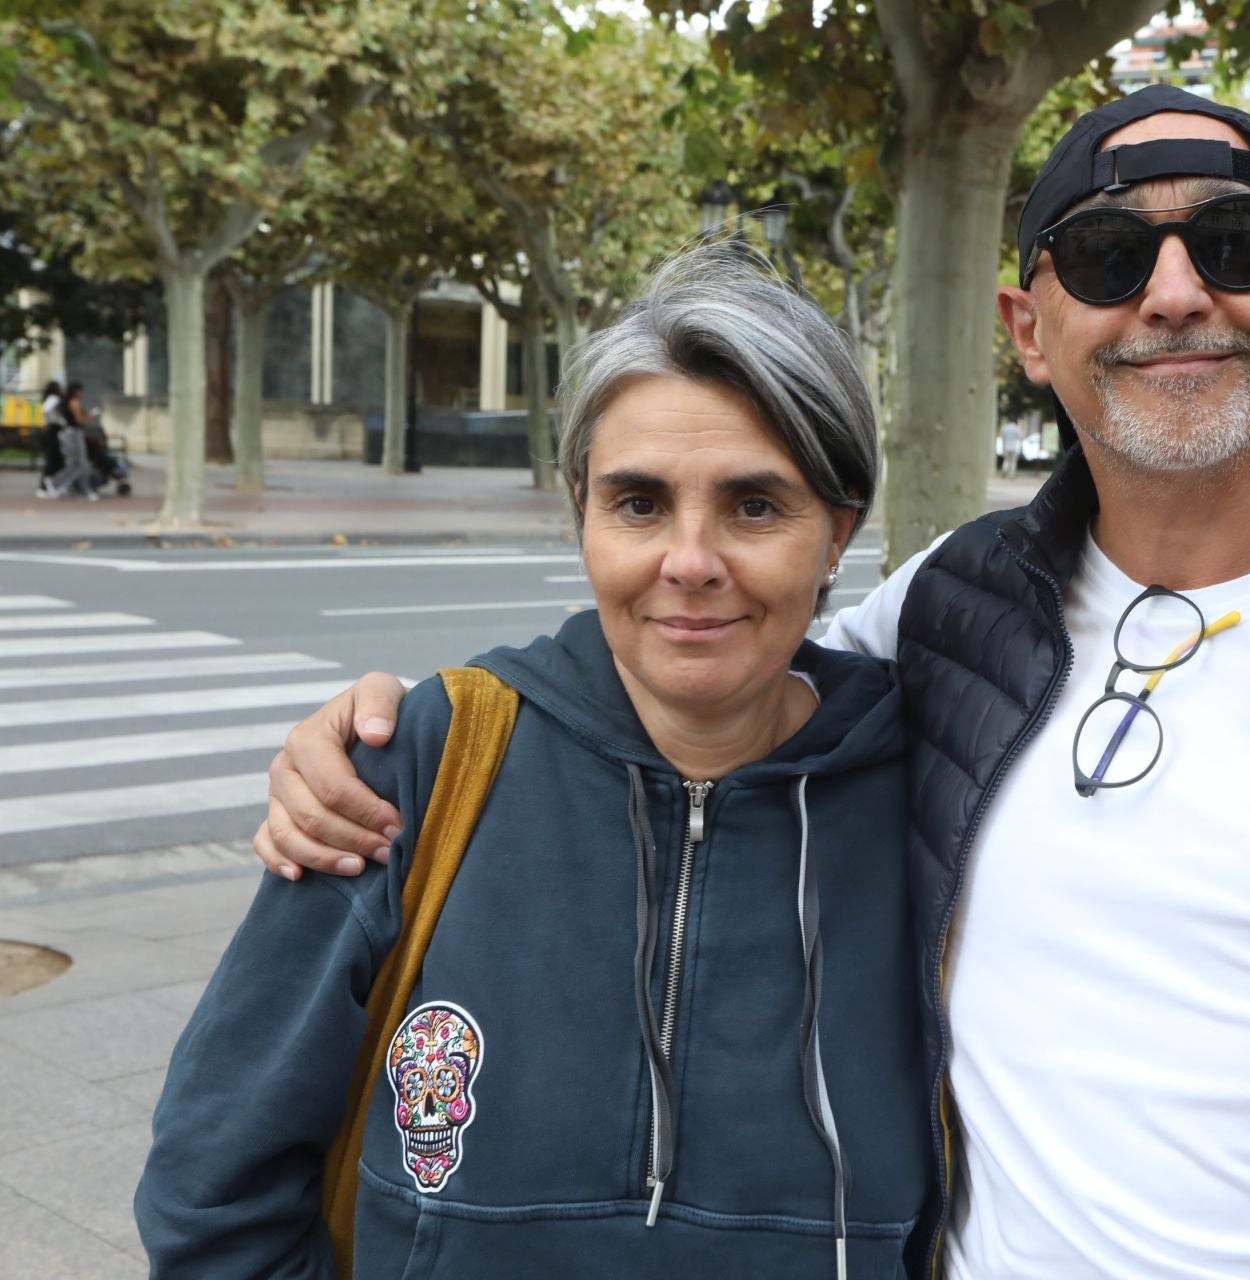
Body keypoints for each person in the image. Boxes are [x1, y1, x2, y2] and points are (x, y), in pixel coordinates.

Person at [255, 86, 1250, 1277]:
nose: (1173, 292)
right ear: (1030, 329)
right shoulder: (946, 610)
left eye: (1235, 244)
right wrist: (388, 732)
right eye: (1110, 256)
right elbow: (692, 663)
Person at [135, 244, 931, 1278]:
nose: (690, 561)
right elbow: (213, 1180)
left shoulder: (933, 795)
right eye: (639, 503)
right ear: (582, 515)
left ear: (838, 533)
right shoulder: (427, 761)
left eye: (755, 505)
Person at [48, 380, 100, 500]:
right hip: (75, 434)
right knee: (82, 463)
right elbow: (79, 421)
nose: (82, 394)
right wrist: (91, 415)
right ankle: (84, 489)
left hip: (70, 433)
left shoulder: (67, 402)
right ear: (76, 391)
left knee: (76, 463)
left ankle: (57, 482)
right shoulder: (74, 403)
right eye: (81, 391)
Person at [36, 379, 66, 498]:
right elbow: (47, 410)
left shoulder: (50, 399)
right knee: (53, 459)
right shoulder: (54, 399)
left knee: (57, 460)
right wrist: (57, 416)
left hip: (52, 429)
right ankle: (45, 485)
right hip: (53, 430)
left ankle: (53, 484)